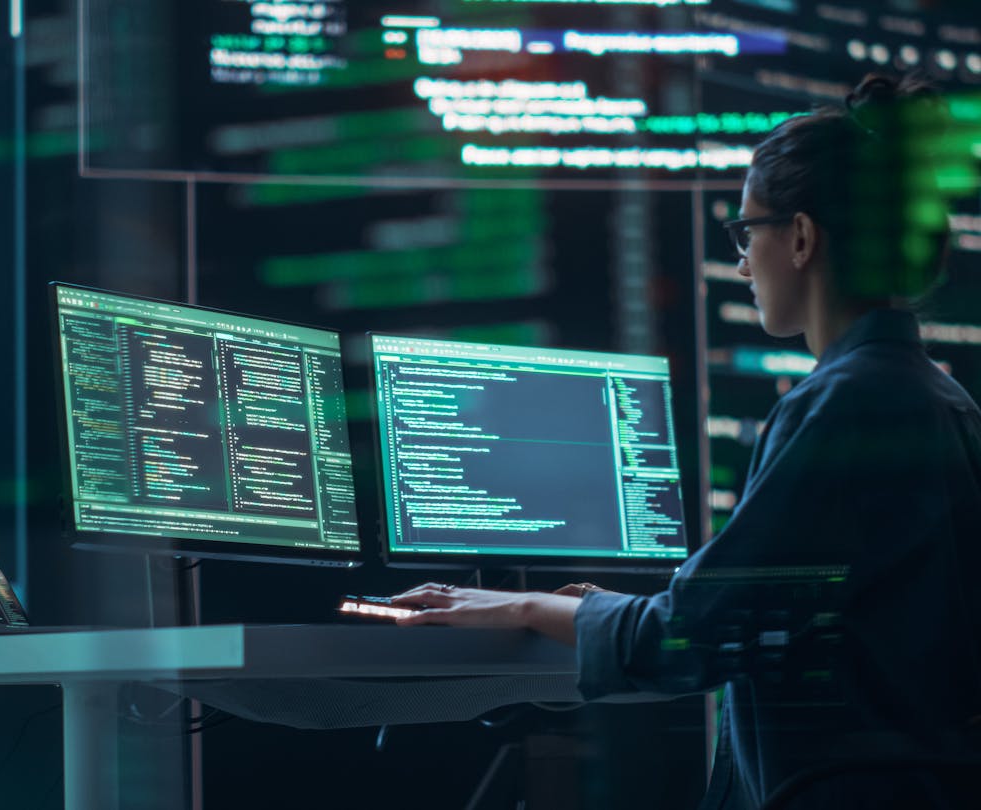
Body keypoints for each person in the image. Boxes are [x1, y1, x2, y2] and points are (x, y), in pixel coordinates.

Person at [391, 73, 981, 809]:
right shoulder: (939, 397)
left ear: (799, 237)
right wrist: (588, 607)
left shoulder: (844, 404)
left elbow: (694, 634)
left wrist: (521, 608)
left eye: (745, 231)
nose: (740, 262)